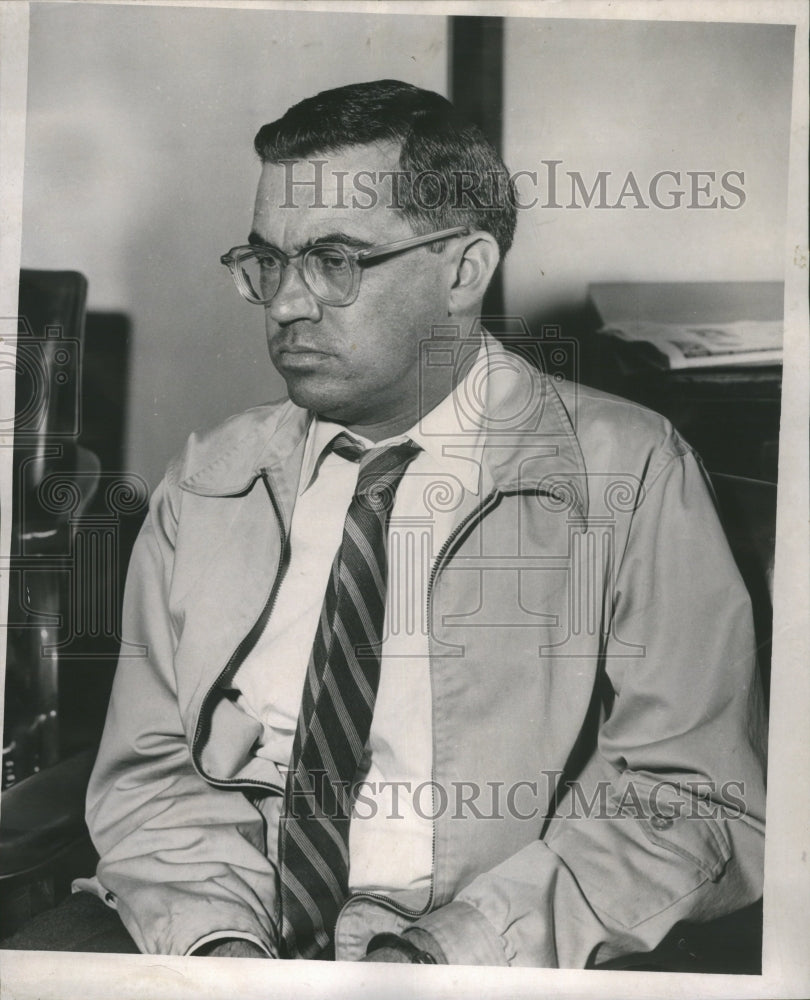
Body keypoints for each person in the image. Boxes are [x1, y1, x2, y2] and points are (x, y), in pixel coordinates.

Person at [76, 80, 765, 967]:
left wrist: (443, 955)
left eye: (335, 262)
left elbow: (695, 803)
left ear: (464, 270)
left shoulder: (626, 472)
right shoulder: (210, 479)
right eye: (267, 263)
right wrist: (219, 948)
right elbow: (151, 780)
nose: (286, 304)